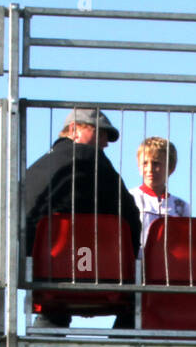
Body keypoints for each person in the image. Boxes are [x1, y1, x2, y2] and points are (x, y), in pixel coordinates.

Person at [22, 107, 141, 327]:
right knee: (142, 300)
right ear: (75, 130)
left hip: (43, 275)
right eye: (100, 133)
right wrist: (129, 264)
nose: (105, 143)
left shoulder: (31, 171)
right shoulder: (93, 160)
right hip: (103, 274)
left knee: (53, 307)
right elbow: (131, 218)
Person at [130, 137, 190, 254]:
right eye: (145, 163)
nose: (150, 169)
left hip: (170, 265)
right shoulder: (130, 197)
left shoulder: (182, 206)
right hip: (137, 261)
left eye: (156, 163)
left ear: (170, 168)